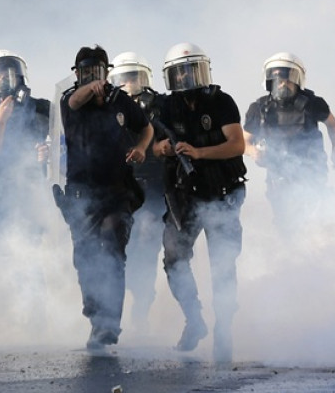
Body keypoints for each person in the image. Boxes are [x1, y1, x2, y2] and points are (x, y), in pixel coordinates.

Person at [151, 42, 247, 363]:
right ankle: (194, 319)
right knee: (174, 259)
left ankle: (225, 327)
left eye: (192, 71)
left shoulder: (221, 102)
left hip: (222, 191)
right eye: (179, 73)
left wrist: (200, 152)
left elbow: (236, 145)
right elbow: (151, 146)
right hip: (184, 196)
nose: (186, 79)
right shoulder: (164, 107)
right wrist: (163, 148)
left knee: (223, 263)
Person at [55, 45, 153, 351]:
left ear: (106, 72)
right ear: (77, 74)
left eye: (96, 71)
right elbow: (73, 101)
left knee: (112, 252)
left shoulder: (119, 100)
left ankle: (109, 324)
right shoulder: (70, 100)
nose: (91, 77)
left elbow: (146, 127)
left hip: (117, 192)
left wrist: (141, 148)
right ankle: (95, 316)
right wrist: (89, 88)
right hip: (82, 194)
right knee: (85, 258)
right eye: (84, 72)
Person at [243, 52, 335, 236]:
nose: (282, 83)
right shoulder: (259, 108)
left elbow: (333, 125)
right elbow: (244, 141)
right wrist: (253, 152)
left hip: (311, 171)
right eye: (278, 79)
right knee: (286, 225)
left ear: (297, 80)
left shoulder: (313, 103)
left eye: (288, 78)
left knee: (314, 221)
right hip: (278, 175)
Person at [107, 51, 164, 334]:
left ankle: (141, 309)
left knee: (147, 245)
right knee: (118, 249)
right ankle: (114, 312)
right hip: (120, 189)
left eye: (135, 77)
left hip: (152, 189)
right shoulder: (107, 111)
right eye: (124, 79)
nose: (130, 84)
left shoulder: (158, 108)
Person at [0, 49, 50, 225]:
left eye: (8, 72)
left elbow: (62, 144)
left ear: (19, 75)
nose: (3, 78)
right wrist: (0, 121)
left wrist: (48, 151)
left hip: (34, 190)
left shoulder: (42, 107)